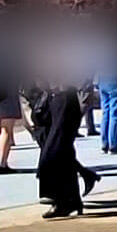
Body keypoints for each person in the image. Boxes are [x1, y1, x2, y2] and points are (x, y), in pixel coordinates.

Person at [33, 86, 87, 218]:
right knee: (62, 152)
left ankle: (63, 200)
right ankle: (71, 199)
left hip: (64, 97)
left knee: (55, 152)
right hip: (48, 99)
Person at [97, 71, 117, 155]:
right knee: (115, 115)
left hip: (102, 81)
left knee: (105, 113)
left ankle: (105, 143)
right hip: (116, 81)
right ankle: (113, 145)